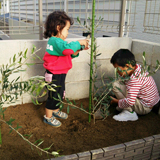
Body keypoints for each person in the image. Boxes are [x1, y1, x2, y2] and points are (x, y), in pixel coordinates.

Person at [43, 11, 89, 127]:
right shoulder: (55, 41)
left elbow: (68, 54)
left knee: (60, 93)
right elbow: (66, 50)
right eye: (67, 29)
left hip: (60, 73)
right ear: (59, 27)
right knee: (53, 95)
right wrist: (78, 43)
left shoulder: (59, 42)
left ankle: (55, 110)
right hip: (54, 74)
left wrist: (78, 49)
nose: (68, 32)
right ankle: (48, 117)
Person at [110, 49, 160, 122]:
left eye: (118, 69)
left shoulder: (135, 79)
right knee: (118, 83)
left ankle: (129, 112)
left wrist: (116, 101)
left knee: (115, 85)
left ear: (127, 66)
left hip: (144, 108)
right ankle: (125, 106)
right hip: (149, 103)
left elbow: (130, 101)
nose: (117, 72)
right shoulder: (137, 68)